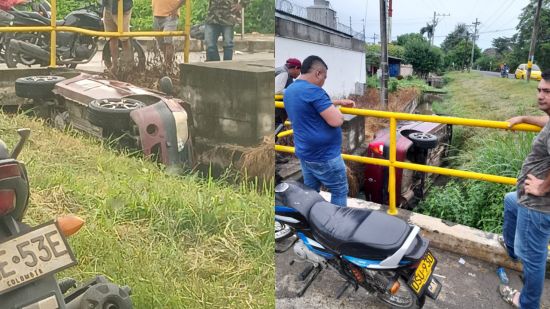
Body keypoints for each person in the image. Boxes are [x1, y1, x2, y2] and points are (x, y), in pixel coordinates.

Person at [499, 70, 550, 308]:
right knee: (510, 201)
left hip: (538, 204)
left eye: (547, 92)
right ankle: (512, 249)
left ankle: (528, 302)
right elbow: (546, 121)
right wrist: (522, 118)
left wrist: (543, 186)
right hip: (527, 199)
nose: (541, 95)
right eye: (539, 90)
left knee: (533, 256)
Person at [283, 55, 355, 207]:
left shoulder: (290, 90)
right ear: (318, 73)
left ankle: (312, 217)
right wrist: (339, 112)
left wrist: (339, 102)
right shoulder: (315, 91)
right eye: (324, 77)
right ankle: (335, 225)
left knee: (311, 190)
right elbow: (336, 121)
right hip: (324, 156)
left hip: (305, 153)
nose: (324, 82)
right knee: (339, 190)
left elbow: (309, 103)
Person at [102, 0, 134, 73]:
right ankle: (115, 66)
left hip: (122, 8)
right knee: (112, 37)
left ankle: (128, 66)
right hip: (108, 8)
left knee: (124, 38)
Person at [152, 0, 184, 66]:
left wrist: (175, 9)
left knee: (167, 41)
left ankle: (168, 65)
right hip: (157, 14)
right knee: (160, 43)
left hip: (170, 15)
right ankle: (167, 63)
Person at [275, 58, 301, 127]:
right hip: (276, 113)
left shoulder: (280, 70)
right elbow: (277, 90)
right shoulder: (284, 73)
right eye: (300, 71)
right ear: (296, 68)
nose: (299, 74)